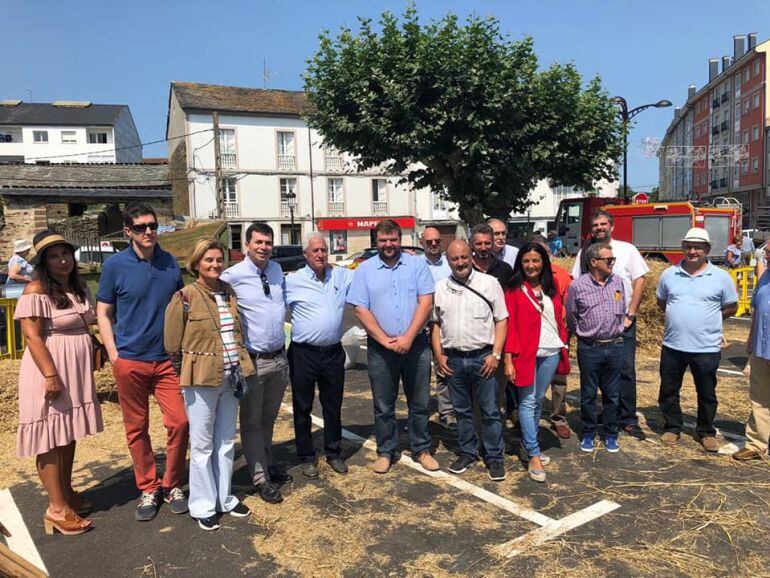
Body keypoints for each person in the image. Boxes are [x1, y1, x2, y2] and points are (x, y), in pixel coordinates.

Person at [97, 203, 189, 522]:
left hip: (166, 361)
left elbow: (182, 307)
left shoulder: (170, 263)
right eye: (140, 227)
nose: (148, 231)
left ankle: (172, 483)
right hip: (130, 360)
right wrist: (113, 354)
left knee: (180, 422)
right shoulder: (115, 266)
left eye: (152, 225)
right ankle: (149, 487)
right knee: (137, 428)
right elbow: (103, 312)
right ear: (128, 232)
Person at [164, 237, 255, 531]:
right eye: (208, 260)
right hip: (200, 379)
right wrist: (185, 376)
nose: (215, 265)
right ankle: (202, 505)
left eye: (218, 259)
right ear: (196, 264)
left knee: (226, 441)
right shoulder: (185, 297)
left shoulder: (229, 293)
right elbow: (171, 343)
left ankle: (224, 498)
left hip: (231, 376)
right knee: (202, 445)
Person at [16, 231, 103, 535]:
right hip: (49, 368)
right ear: (43, 262)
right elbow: (32, 336)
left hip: (74, 369)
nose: (62, 260)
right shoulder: (35, 290)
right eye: (53, 256)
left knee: (67, 433)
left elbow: (89, 322)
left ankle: (65, 493)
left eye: (65, 253)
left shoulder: (77, 288)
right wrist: (50, 374)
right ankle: (56, 509)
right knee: (50, 437)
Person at [347, 219, 438, 474]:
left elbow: (426, 302)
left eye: (393, 239)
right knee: (383, 405)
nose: (388, 244)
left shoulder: (416, 264)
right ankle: (386, 450)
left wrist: (408, 336)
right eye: (383, 240)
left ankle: (421, 448)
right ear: (376, 242)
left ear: (401, 239)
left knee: (419, 402)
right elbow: (359, 308)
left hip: (416, 345)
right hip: (380, 348)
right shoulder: (365, 270)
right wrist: (384, 339)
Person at [221, 222, 291, 503]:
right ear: (246, 245)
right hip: (253, 360)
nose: (264, 247)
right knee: (251, 422)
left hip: (279, 357)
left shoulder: (275, 271)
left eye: (267, 242)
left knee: (269, 418)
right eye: (258, 242)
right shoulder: (232, 276)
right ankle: (259, 477)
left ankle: (268, 462)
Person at [656, 228, 738, 452]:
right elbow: (662, 302)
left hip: (706, 346)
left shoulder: (721, 277)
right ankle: (672, 427)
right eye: (688, 246)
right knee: (668, 390)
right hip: (673, 344)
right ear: (683, 247)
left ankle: (706, 431)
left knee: (707, 392)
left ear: (707, 250)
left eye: (698, 247)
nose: (692, 251)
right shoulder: (668, 275)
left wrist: (710, 317)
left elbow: (732, 306)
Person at [432, 240, 508, 480]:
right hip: (454, 360)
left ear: (471, 256)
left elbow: (502, 320)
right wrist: (438, 354)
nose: (460, 262)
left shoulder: (489, 283)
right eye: (455, 259)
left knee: (489, 411)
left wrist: (496, 354)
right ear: (448, 260)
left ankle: (495, 457)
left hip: (483, 358)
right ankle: (468, 452)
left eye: (464, 257)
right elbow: (435, 324)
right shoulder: (441, 287)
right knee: (461, 411)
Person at [571, 209, 648, 438]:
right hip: (594, 328)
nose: (599, 228)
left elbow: (640, 280)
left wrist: (630, 315)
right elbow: (575, 285)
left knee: (625, 370)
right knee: (595, 375)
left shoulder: (627, 249)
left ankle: (627, 419)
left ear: (611, 226)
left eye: (603, 224)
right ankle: (602, 418)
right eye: (595, 225)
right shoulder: (584, 254)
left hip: (621, 322)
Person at [284, 233, 354, 478]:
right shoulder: (292, 281)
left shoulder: (341, 276)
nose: (320, 254)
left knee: (332, 405)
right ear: (305, 255)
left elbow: (369, 276)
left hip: (333, 353)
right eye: (314, 250)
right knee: (302, 407)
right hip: (304, 354)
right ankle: (306, 456)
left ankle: (334, 453)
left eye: (323, 250)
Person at [504, 243, 569, 481]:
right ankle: (533, 453)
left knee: (539, 400)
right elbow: (509, 326)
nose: (531, 266)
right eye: (526, 261)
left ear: (544, 262)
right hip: (525, 353)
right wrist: (508, 360)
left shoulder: (551, 288)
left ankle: (529, 446)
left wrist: (563, 342)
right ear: (520, 263)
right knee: (528, 401)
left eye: (536, 261)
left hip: (550, 351)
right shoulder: (513, 289)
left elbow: (559, 318)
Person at [566, 242, 625, 453]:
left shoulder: (617, 282)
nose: (612, 263)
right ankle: (589, 432)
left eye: (613, 260)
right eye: (608, 260)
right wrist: (583, 336)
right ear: (593, 262)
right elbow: (571, 318)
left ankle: (610, 433)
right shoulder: (578, 286)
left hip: (615, 346)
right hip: (590, 348)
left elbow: (622, 308)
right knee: (589, 393)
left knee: (612, 394)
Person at [471, 223, 515, 423]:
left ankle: (494, 437)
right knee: (472, 395)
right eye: (478, 243)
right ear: (472, 244)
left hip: (497, 339)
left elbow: (512, 304)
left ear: (492, 244)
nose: (482, 247)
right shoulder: (463, 266)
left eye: (486, 243)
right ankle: (475, 436)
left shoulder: (504, 269)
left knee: (496, 393)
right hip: (471, 340)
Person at [531, 234, 573, 439]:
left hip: (556, 335)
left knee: (559, 379)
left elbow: (569, 304)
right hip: (531, 337)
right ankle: (529, 422)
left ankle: (558, 418)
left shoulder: (563, 275)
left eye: (545, 254)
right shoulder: (524, 277)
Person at [734, 261, 770, 460]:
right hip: (761, 348)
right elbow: (757, 309)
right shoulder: (765, 277)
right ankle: (756, 444)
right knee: (760, 399)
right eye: (767, 254)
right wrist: (750, 338)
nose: (767, 258)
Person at [420, 227, 456, 429]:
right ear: (421, 242)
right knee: (420, 372)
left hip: (443, 324)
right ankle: (420, 412)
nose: (434, 245)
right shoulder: (415, 264)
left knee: (444, 369)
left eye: (437, 241)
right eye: (429, 242)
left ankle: (447, 412)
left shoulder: (449, 264)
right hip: (420, 325)